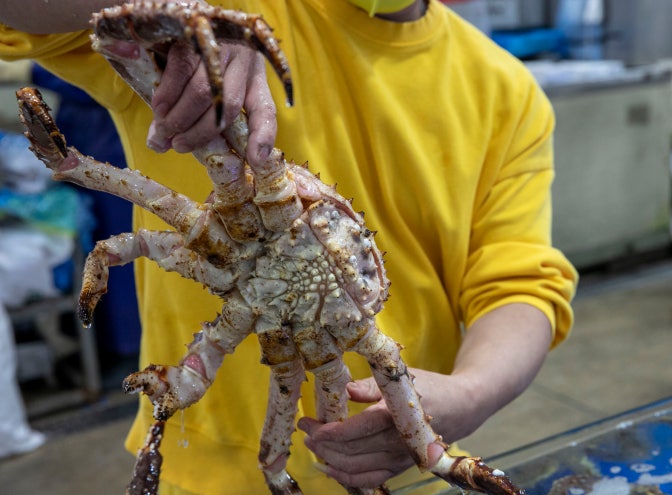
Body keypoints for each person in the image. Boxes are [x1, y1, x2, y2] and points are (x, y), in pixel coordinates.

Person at [0, 1, 578, 493]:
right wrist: (190, 11)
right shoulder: (237, 22)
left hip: (381, 451)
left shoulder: (507, 91)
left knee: (287, 463)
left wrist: (470, 393)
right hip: (206, 472)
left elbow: (521, 283)